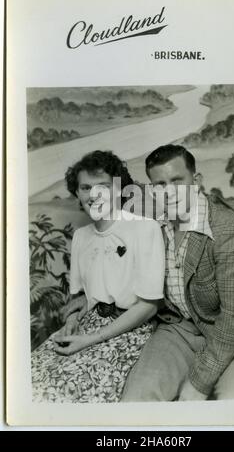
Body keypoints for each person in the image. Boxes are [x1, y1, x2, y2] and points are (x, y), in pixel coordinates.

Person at [121, 144, 234, 401]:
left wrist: (199, 382)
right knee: (136, 400)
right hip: (180, 330)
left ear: (196, 181)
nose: (170, 192)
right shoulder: (153, 227)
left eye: (177, 181)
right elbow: (113, 261)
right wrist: (82, 298)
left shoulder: (231, 231)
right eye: (160, 184)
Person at [31, 150, 165, 403]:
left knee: (63, 392)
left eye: (102, 186)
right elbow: (81, 296)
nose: (93, 196)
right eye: (85, 188)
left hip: (130, 330)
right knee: (30, 377)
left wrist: (89, 340)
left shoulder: (145, 228)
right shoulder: (82, 236)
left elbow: (148, 307)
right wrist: (72, 319)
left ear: (118, 190)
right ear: (77, 193)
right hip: (87, 326)